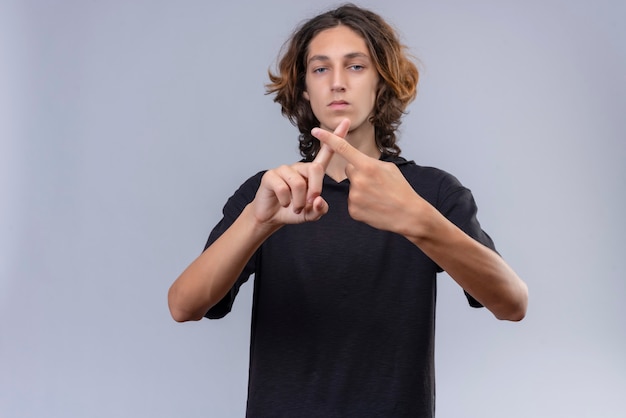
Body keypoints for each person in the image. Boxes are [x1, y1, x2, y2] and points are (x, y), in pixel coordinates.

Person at [168, 4, 528, 417]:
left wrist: (418, 218)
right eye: (320, 69)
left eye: (356, 67)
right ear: (304, 89)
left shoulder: (433, 190)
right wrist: (257, 222)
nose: (337, 82)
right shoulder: (270, 192)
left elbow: (511, 303)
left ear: (381, 82)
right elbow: (184, 306)